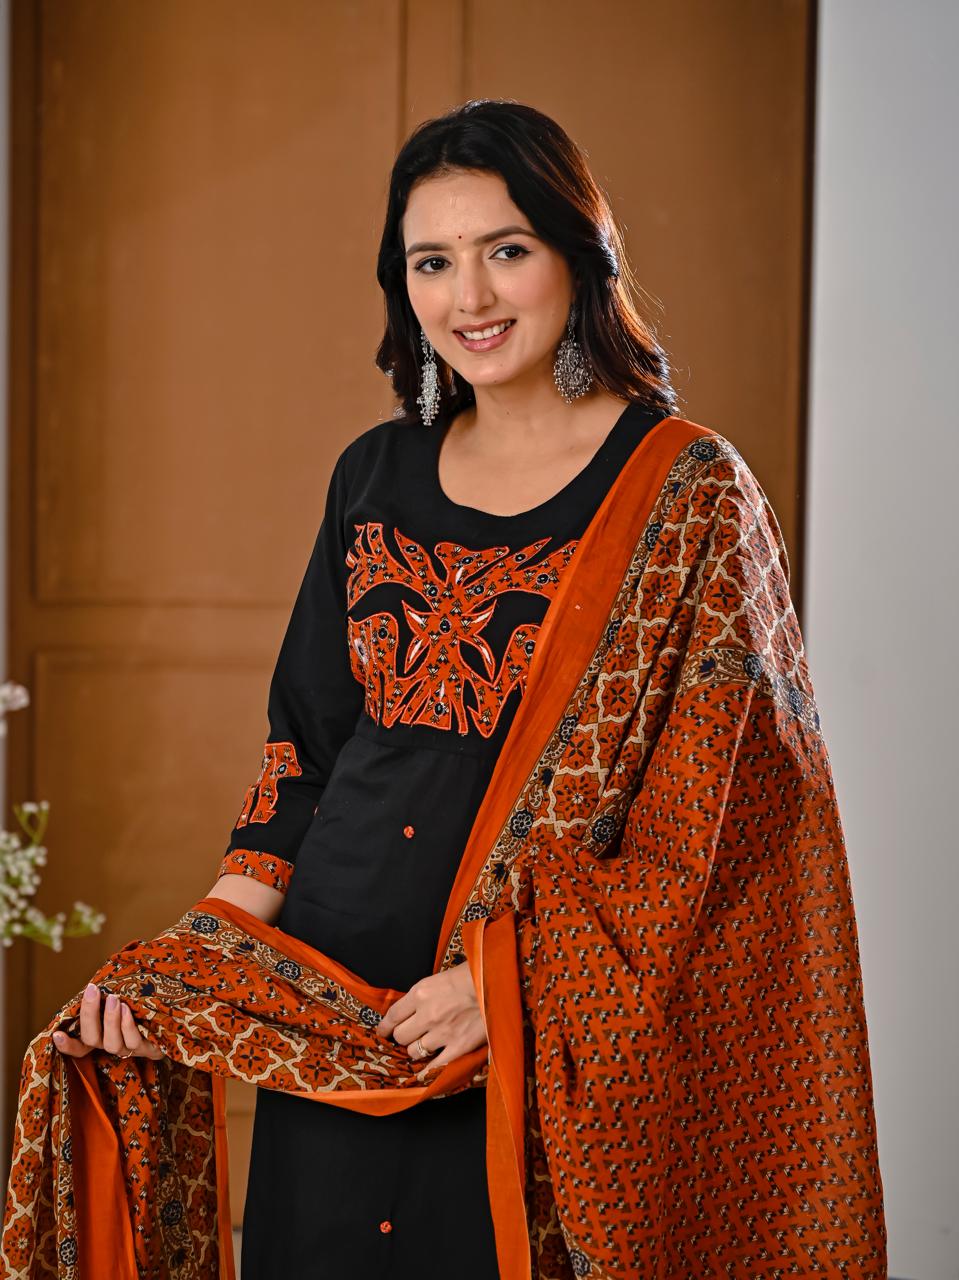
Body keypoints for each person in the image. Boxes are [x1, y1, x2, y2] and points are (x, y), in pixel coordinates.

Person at [3, 99, 887, 1280]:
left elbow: (722, 826)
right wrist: (193, 956)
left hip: (534, 1046)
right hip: (331, 1009)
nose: (468, 295)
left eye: (503, 250)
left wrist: (504, 987)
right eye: (431, 261)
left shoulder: (686, 495)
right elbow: (303, 757)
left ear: (578, 254)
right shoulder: (371, 474)